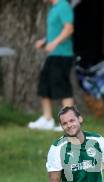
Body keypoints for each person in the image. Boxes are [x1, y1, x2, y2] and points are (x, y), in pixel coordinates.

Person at [28, 0, 75, 131]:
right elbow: (56, 31)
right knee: (44, 86)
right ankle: (47, 119)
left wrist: (54, 43)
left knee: (63, 87)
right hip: (53, 55)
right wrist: (44, 41)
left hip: (63, 55)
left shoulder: (64, 6)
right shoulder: (54, 8)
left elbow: (68, 28)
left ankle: (69, 123)